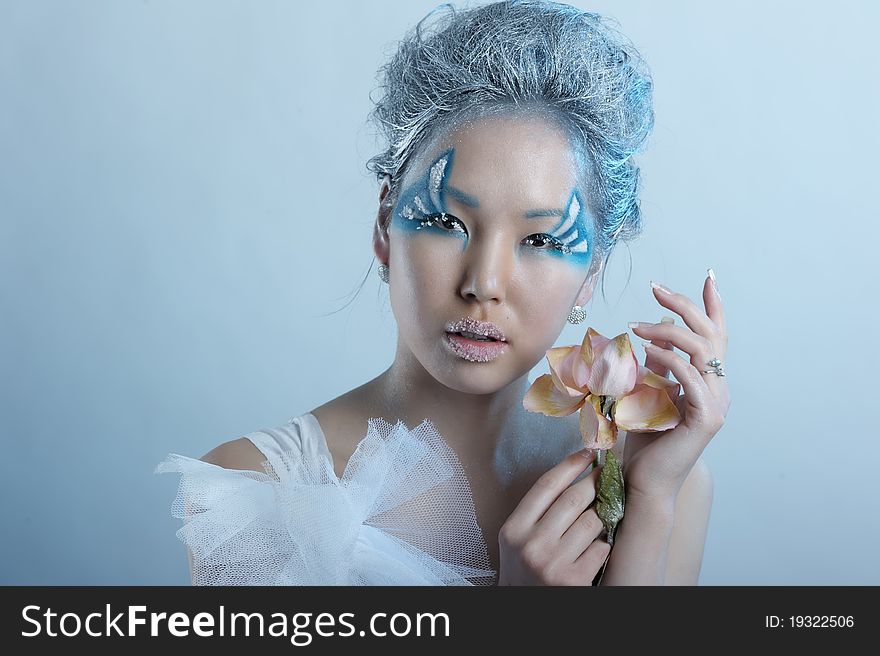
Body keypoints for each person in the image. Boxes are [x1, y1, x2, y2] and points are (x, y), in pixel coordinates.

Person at [157, 0, 729, 586]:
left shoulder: (652, 478)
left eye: (541, 239)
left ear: (592, 271)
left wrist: (652, 500)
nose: (482, 284)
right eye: (445, 223)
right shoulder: (258, 491)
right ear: (385, 225)